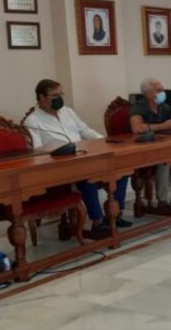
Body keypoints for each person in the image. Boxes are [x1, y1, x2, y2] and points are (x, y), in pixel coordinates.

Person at [24, 79, 131, 239]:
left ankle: (115, 215)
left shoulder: (67, 112)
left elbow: (85, 131)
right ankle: (98, 222)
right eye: (54, 95)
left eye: (61, 94)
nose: (59, 98)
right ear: (42, 97)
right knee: (88, 180)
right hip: (59, 164)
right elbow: (36, 149)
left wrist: (105, 142)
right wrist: (59, 150)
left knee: (121, 171)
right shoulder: (33, 121)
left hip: (83, 155)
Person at [129, 78, 171, 215]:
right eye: (160, 90)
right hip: (142, 152)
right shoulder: (139, 106)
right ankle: (162, 202)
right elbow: (136, 128)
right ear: (149, 94)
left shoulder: (163, 106)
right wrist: (164, 125)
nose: (163, 92)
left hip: (161, 146)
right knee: (165, 161)